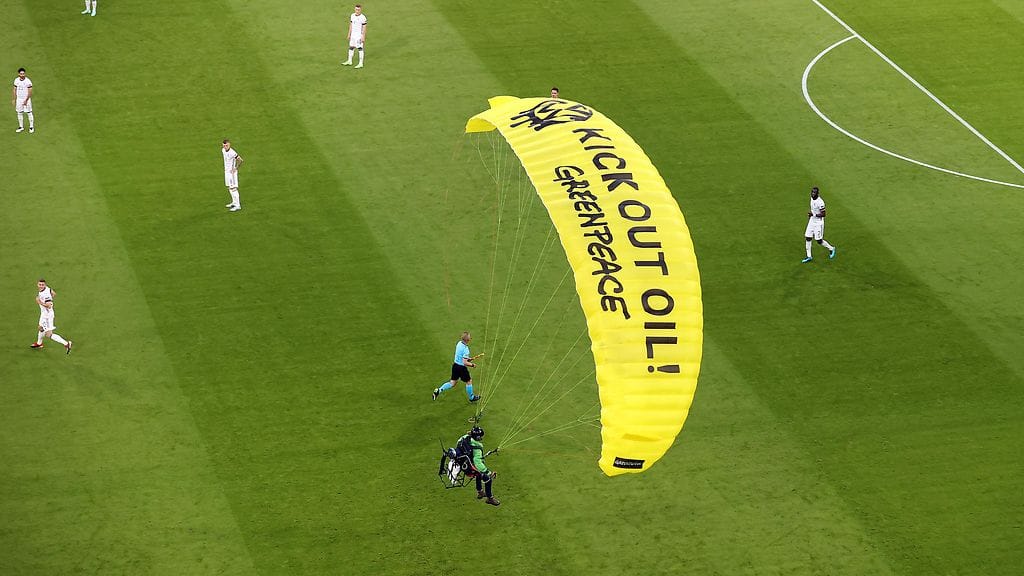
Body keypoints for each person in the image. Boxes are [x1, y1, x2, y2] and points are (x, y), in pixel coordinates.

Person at [456, 426, 500, 506]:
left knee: (478, 474)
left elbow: (459, 443)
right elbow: (478, 463)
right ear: (478, 437)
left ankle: (480, 492)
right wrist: (489, 473)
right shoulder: (477, 448)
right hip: (468, 468)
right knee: (487, 478)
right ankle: (490, 498)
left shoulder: (465, 437)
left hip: (461, 462)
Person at [433, 331, 480, 402]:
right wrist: (472, 365)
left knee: (452, 383)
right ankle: (471, 397)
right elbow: (464, 362)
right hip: (461, 368)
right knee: (469, 381)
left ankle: (439, 390)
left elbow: (461, 357)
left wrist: (468, 359)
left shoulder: (459, 343)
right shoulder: (466, 349)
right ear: (468, 340)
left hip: (455, 366)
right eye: (470, 337)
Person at [31, 279, 73, 354]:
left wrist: (39, 302)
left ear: (45, 285)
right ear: (37, 284)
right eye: (39, 284)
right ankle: (39, 343)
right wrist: (50, 299)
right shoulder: (47, 289)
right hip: (43, 314)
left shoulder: (45, 294)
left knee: (48, 334)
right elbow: (54, 293)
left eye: (42, 285)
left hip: (47, 316)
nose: (41, 286)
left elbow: (49, 306)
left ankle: (66, 344)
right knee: (40, 328)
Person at [802, 186, 836, 263]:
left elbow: (824, 214)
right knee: (808, 237)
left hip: (818, 223)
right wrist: (811, 216)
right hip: (812, 221)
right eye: (812, 192)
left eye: (814, 192)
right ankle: (809, 256)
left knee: (819, 241)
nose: (813, 194)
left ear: (818, 193)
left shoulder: (820, 202)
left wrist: (813, 214)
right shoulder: (811, 198)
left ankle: (831, 248)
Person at [342, 4, 368, 69]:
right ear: (354, 9)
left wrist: (363, 36)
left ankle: (360, 63)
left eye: (358, 10)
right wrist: (349, 34)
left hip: (359, 35)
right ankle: (349, 61)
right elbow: (351, 25)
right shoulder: (352, 15)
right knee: (351, 47)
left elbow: (364, 27)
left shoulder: (363, 17)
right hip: (353, 35)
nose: (357, 11)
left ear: (360, 10)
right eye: (356, 9)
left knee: (360, 48)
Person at [222, 139, 243, 212]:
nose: (225, 147)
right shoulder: (223, 150)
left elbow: (240, 160)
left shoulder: (232, 152)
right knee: (229, 187)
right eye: (224, 145)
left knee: (233, 188)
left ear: (229, 145)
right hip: (226, 172)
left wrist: (235, 168)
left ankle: (238, 205)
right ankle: (234, 202)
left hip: (232, 174)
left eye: (226, 145)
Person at [12, 68, 34, 134]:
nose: (22, 75)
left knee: (29, 112)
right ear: (18, 74)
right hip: (19, 99)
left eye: (23, 73)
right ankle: (21, 127)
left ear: (25, 74)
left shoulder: (28, 81)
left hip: (26, 99)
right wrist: (14, 99)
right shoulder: (16, 80)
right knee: (19, 112)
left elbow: (30, 91)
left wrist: (26, 100)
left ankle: (31, 127)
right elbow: (14, 89)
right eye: (21, 74)